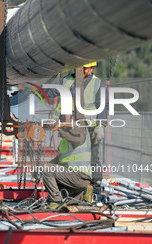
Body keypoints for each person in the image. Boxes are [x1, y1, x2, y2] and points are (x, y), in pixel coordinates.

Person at [45, 62, 108, 195]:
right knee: (67, 156)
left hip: (89, 129)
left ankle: (95, 191)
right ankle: (70, 186)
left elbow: (103, 105)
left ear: (92, 68)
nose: (86, 71)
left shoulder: (98, 84)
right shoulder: (67, 81)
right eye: (84, 68)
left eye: (88, 68)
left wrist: (100, 126)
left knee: (93, 158)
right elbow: (50, 91)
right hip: (68, 128)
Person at [43, 119, 93, 209]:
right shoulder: (64, 142)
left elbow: (78, 139)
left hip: (78, 175)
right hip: (74, 178)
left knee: (46, 170)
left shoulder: (80, 129)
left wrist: (61, 129)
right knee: (62, 196)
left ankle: (56, 202)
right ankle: (82, 194)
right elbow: (59, 159)